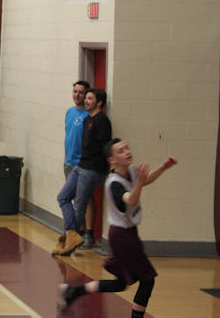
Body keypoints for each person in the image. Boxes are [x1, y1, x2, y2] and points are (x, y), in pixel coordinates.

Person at [58, 139, 178, 317]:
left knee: (120, 283)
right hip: (122, 237)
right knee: (147, 281)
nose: (127, 151)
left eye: (127, 148)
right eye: (121, 150)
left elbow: (145, 180)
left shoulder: (130, 171)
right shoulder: (114, 183)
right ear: (112, 160)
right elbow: (131, 200)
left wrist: (163, 167)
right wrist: (139, 183)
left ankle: (72, 292)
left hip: (126, 233)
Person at [54, 87, 111, 256]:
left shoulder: (102, 121)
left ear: (99, 103)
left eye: (90, 98)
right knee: (63, 197)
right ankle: (71, 235)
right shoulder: (87, 120)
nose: (86, 101)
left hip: (93, 169)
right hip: (81, 165)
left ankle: (69, 240)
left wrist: (109, 165)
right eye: (86, 98)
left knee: (80, 205)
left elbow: (105, 146)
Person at [64, 80, 92, 248]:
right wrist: (65, 158)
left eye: (81, 92)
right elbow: (68, 136)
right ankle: (77, 232)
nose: (77, 95)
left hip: (82, 164)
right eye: (75, 91)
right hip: (69, 162)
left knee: (85, 198)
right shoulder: (69, 112)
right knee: (74, 198)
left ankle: (89, 233)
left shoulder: (88, 116)